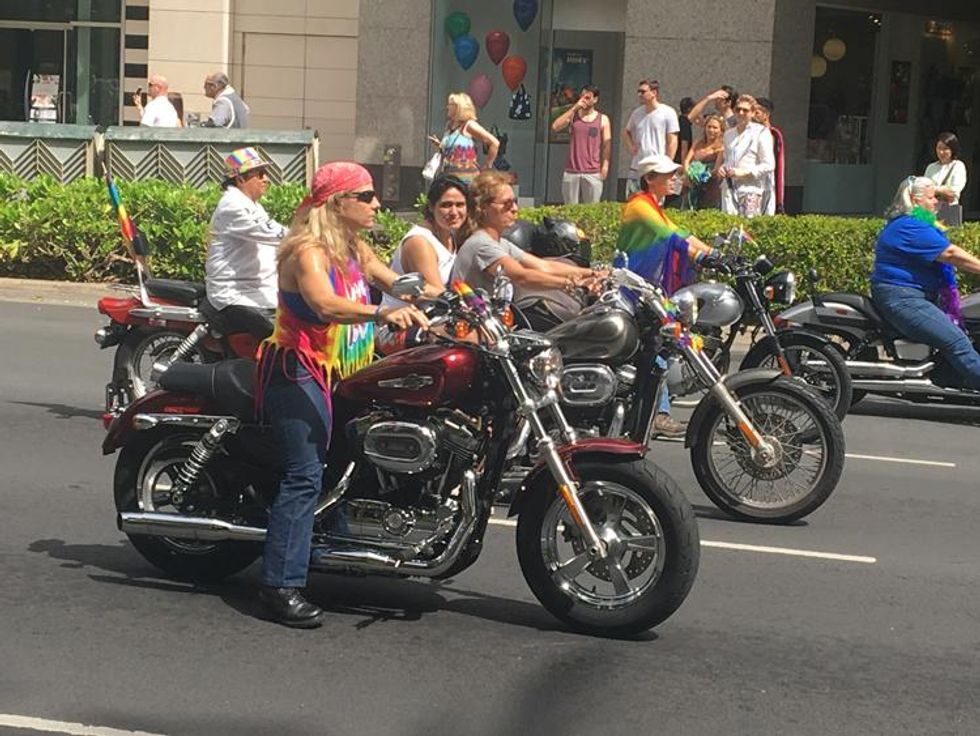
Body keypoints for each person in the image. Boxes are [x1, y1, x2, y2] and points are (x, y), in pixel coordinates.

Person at [254, 161, 435, 628]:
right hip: (299, 369)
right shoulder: (308, 252)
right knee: (305, 472)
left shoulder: (353, 245)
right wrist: (381, 315)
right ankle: (280, 585)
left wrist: (450, 296)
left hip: (341, 370)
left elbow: (393, 280)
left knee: (348, 456)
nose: (377, 204)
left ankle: (335, 541)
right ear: (339, 203)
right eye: (368, 196)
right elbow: (324, 304)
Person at [618, 154, 717, 437]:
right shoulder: (639, 205)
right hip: (634, 291)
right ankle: (658, 414)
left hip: (649, 290)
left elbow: (679, 232)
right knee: (656, 347)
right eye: (667, 175)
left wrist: (713, 252)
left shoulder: (654, 206)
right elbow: (672, 237)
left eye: (674, 174)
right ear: (649, 178)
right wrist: (703, 255)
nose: (674, 178)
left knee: (661, 347)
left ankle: (656, 408)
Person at [871, 176, 980, 390]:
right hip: (902, 297)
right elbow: (950, 253)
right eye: (931, 198)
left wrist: (941, 191)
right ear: (914, 200)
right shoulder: (909, 226)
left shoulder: (917, 223)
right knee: (956, 340)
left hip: (915, 294)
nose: (936, 203)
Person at [452, 170, 597, 297]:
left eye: (515, 202)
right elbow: (522, 277)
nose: (514, 209)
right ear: (483, 207)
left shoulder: (500, 243)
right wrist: (577, 285)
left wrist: (593, 273)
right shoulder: (482, 244)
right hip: (472, 324)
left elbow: (544, 266)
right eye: (507, 204)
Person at [205, 147, 286, 313]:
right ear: (241, 179)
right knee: (283, 334)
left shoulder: (251, 204)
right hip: (236, 294)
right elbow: (274, 234)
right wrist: (312, 237)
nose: (266, 179)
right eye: (260, 174)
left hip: (259, 290)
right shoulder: (233, 206)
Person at [381, 175, 474, 308]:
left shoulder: (450, 234)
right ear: (431, 207)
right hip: (405, 323)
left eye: (460, 205)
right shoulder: (420, 242)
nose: (454, 212)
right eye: (446, 205)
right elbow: (439, 298)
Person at [551, 84, 612, 204]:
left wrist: (605, 165)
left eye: (588, 97)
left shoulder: (603, 119)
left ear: (595, 99)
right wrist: (574, 108)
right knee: (570, 209)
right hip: (572, 170)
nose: (584, 100)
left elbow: (607, 144)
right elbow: (555, 127)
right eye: (582, 96)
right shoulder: (573, 116)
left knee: (591, 210)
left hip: (592, 171)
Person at [717, 94, 774, 218]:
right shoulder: (728, 134)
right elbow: (728, 159)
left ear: (753, 113)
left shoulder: (761, 133)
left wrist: (744, 172)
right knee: (729, 230)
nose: (741, 113)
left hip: (751, 189)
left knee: (747, 230)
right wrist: (723, 168)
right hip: (729, 189)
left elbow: (769, 164)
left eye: (745, 110)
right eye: (738, 109)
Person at [623, 79, 680, 197]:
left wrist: (667, 164)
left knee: (655, 202)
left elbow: (673, 141)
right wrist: (631, 146)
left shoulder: (668, 112)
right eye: (638, 92)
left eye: (643, 91)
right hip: (637, 166)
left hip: (656, 167)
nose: (640, 95)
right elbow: (626, 131)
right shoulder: (637, 113)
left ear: (654, 93)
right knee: (634, 200)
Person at [428, 92, 498, 186]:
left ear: (459, 107)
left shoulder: (469, 125)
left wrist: (487, 166)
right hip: (448, 176)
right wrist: (440, 145)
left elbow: (494, 143)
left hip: (466, 179)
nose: (447, 107)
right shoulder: (449, 126)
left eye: (451, 105)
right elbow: (453, 149)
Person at [683, 114, 724, 209]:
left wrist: (700, 177)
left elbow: (716, 170)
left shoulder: (721, 147)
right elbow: (686, 160)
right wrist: (688, 175)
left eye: (715, 128)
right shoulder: (698, 142)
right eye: (709, 127)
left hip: (710, 186)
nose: (711, 130)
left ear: (721, 130)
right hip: (692, 183)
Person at [753, 97, 785, 214]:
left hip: (765, 179)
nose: (752, 115)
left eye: (756, 112)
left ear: (766, 114)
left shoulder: (771, 134)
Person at [924, 132, 967, 206]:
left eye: (945, 149)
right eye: (939, 148)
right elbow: (923, 189)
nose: (941, 152)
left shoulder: (958, 166)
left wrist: (933, 190)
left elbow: (954, 192)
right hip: (931, 208)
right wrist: (943, 190)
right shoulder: (931, 167)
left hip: (949, 208)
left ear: (952, 149)